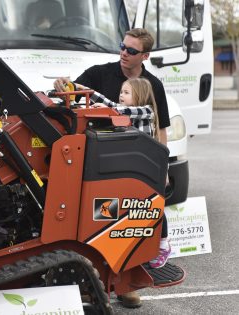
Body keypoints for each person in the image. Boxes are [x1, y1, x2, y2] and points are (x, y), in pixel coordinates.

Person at [54, 28, 171, 309]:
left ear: (145, 55)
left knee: (128, 226)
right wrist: (64, 84)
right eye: (122, 47)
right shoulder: (100, 72)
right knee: (99, 223)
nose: (124, 53)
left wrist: (162, 168)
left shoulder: (152, 84)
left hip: (132, 169)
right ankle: (94, 286)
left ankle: (126, 285)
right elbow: (74, 91)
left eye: (131, 51)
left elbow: (162, 128)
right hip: (99, 166)